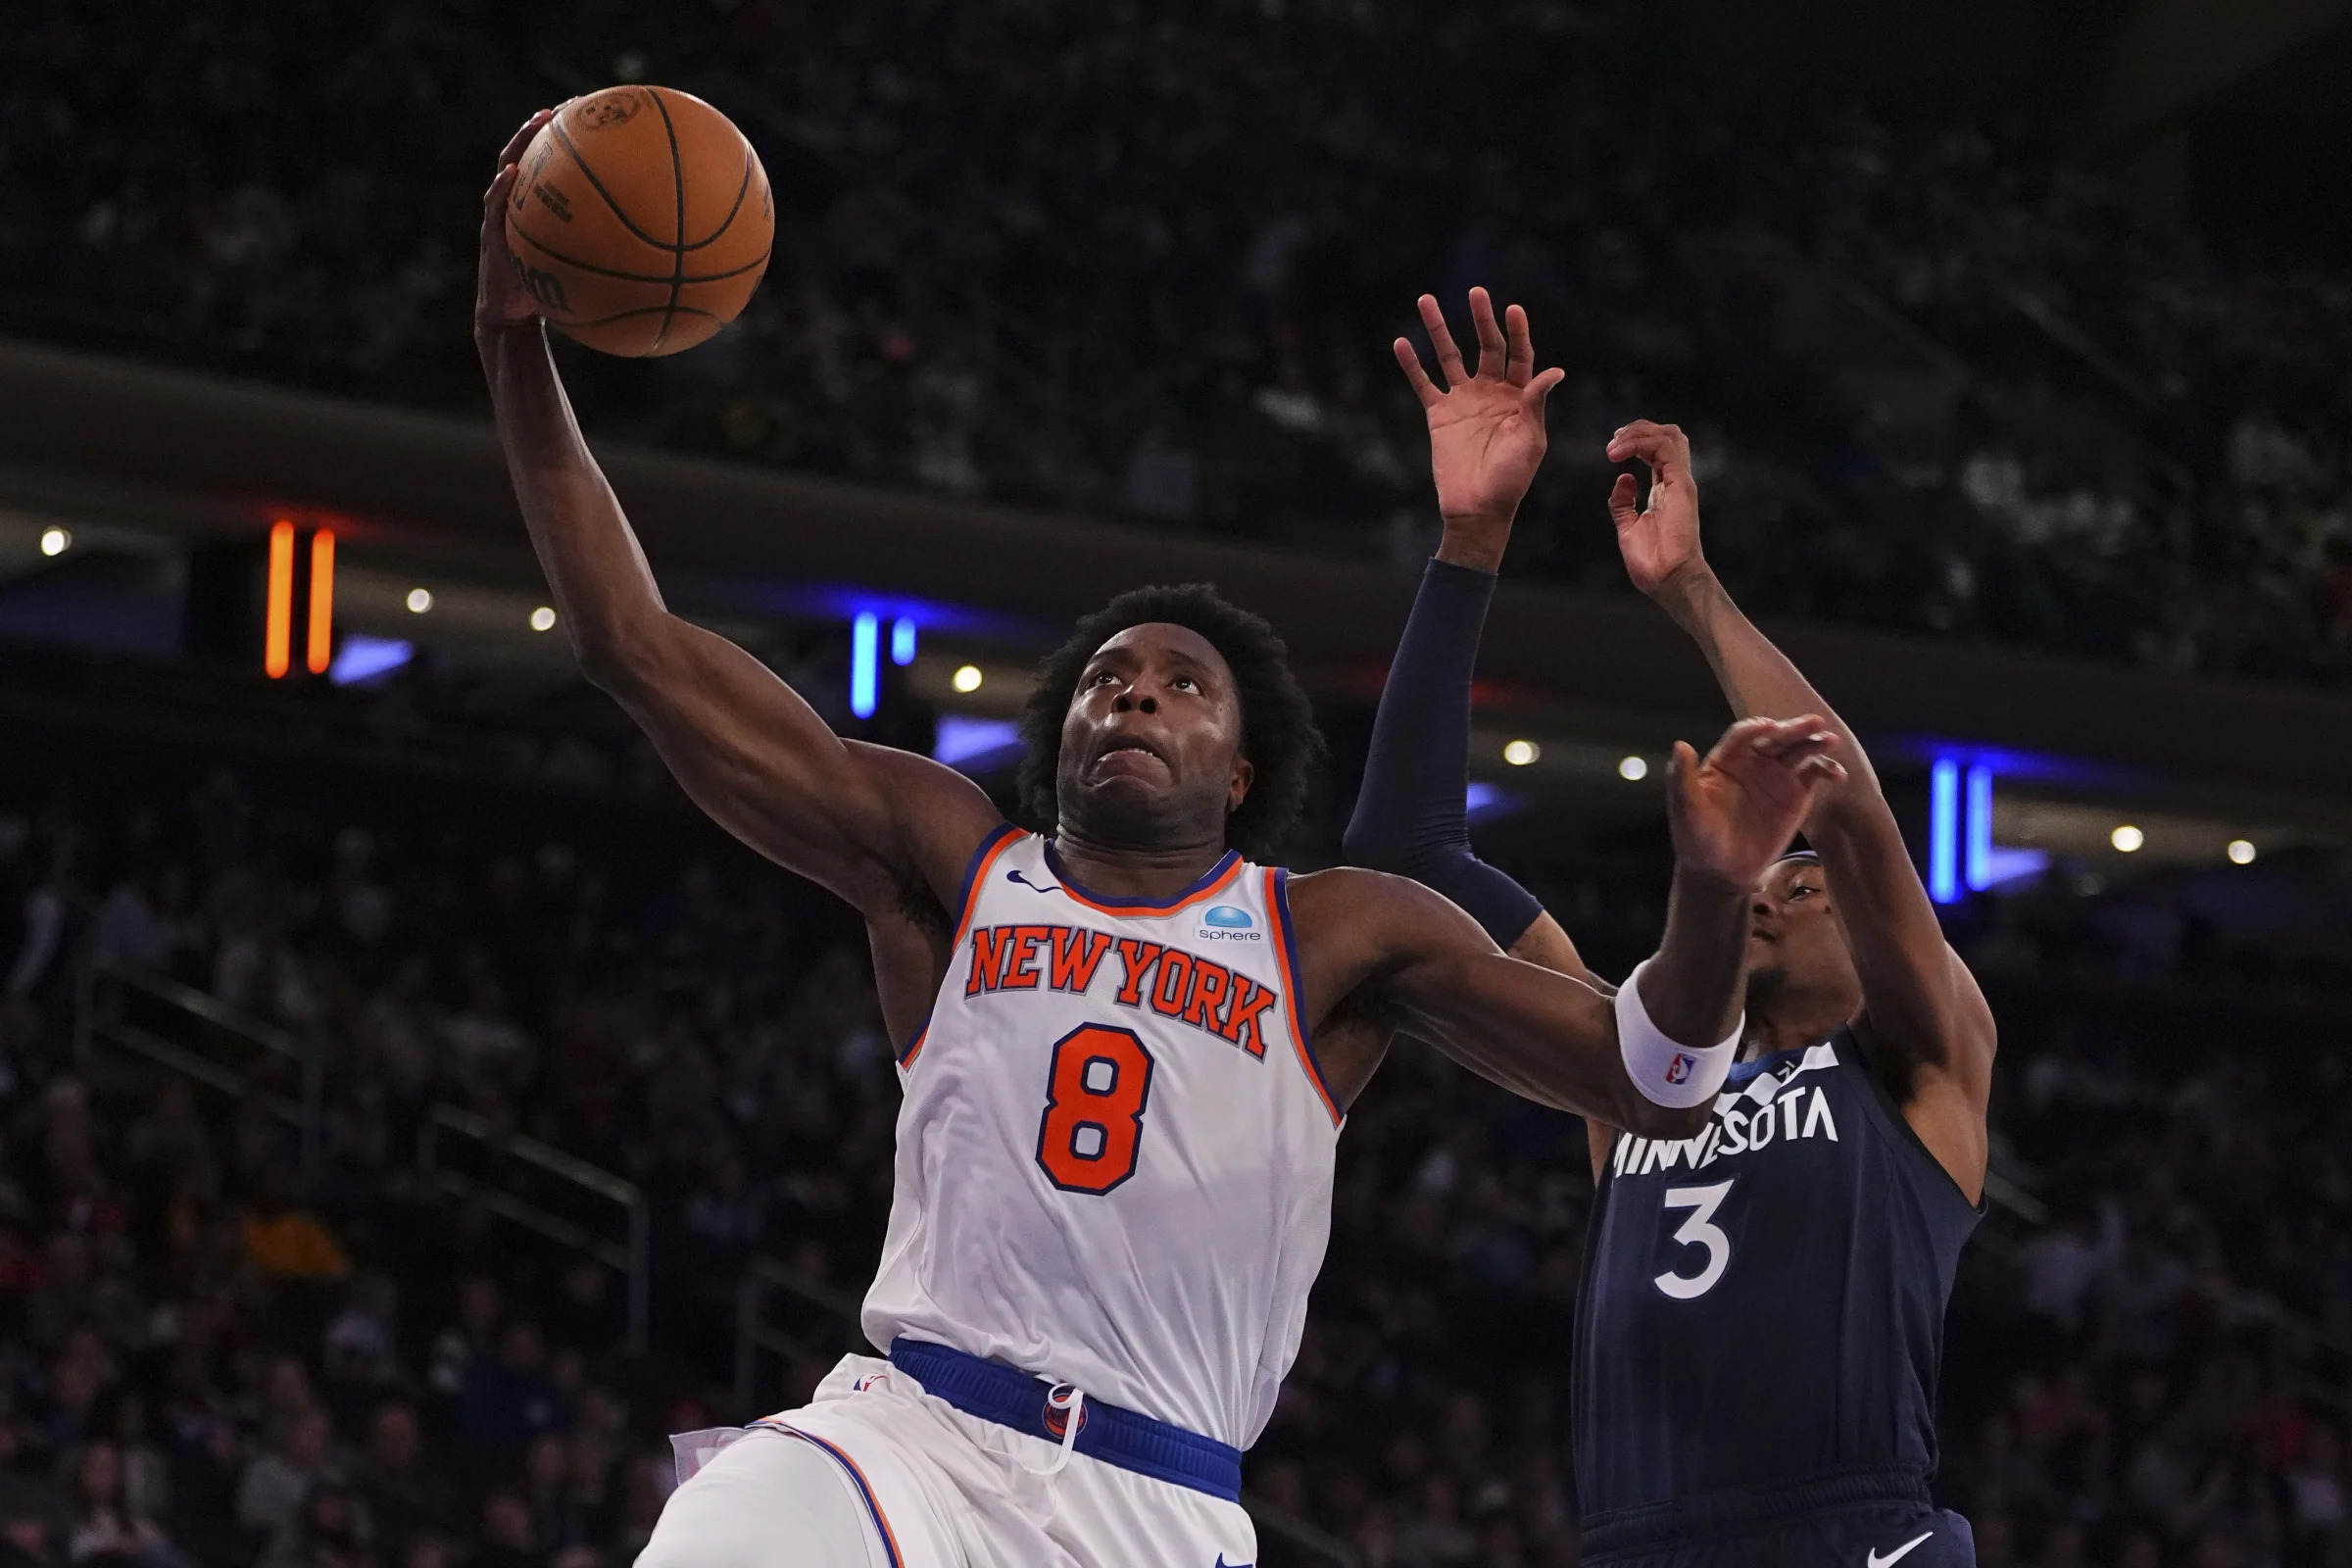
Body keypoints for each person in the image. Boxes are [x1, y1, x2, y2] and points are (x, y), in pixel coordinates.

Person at [475, 110, 1846, 1568]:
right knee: (724, 1531)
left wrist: (1706, 895)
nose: (1135, 690)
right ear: (1057, 736)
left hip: (1157, 1504)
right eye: (1109, 677)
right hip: (906, 1445)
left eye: (1182, 682)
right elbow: (633, 646)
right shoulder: (952, 863)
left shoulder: (1333, 934)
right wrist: (513, 348)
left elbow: (1658, 1084)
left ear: (1242, 767)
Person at [1348, 296, 1995, 1567]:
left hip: (1854, 1542)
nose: (1771, 888)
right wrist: (1470, 545)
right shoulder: (1632, 1069)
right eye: (1763, 881)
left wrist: (1692, 592)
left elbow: (1847, 802)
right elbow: (1408, 855)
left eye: (1802, 884)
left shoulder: (1923, 1071)